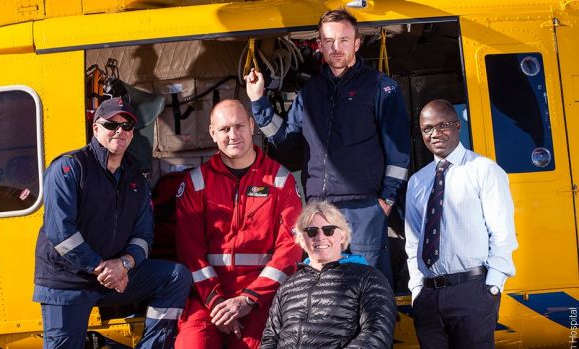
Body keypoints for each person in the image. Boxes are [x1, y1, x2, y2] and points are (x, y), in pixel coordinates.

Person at [245, 8, 411, 283]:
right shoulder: (309, 94)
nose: (337, 47)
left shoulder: (381, 87)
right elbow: (290, 148)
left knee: (370, 291)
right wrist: (259, 104)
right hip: (319, 209)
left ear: (356, 43)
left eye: (344, 40)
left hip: (365, 209)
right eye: (329, 41)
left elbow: (400, 151)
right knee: (326, 291)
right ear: (319, 44)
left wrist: (385, 201)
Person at [33, 97, 192, 349]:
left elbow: (144, 235)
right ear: (96, 128)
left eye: (127, 126)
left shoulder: (135, 179)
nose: (120, 131)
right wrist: (102, 268)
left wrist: (124, 265)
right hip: (68, 282)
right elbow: (61, 232)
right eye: (111, 124)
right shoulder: (69, 168)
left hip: (113, 276)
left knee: (176, 277)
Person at [174, 99, 303, 349]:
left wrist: (248, 299)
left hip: (261, 298)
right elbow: (191, 252)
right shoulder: (196, 183)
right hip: (207, 297)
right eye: (224, 129)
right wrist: (217, 302)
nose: (233, 135)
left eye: (239, 126)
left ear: (252, 125)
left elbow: (291, 248)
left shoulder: (280, 180)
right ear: (212, 133)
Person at [404, 99, 518, 348]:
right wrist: (417, 291)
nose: (435, 134)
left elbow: (502, 234)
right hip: (429, 297)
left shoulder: (484, 170)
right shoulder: (417, 182)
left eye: (442, 125)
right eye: (427, 128)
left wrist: (492, 287)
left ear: (457, 126)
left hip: (472, 291)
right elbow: (413, 243)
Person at [261, 201, 396, 349]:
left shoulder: (368, 278)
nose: (320, 236)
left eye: (328, 230)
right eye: (311, 231)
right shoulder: (288, 286)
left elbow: (376, 334)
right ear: (301, 239)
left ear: (343, 236)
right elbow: (270, 338)